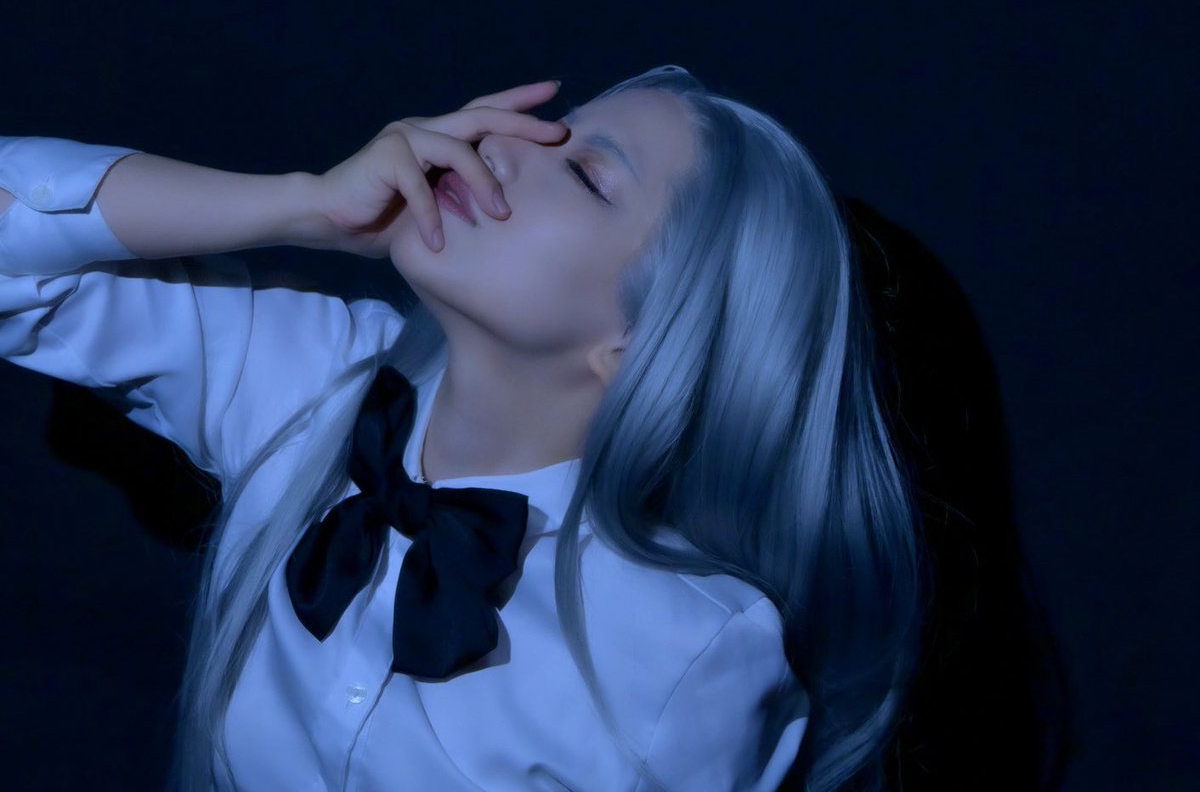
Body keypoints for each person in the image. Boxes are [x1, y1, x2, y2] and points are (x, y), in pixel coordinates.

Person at [0, 64, 923, 792]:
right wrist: (304, 203)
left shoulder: (690, 653)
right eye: (547, 129)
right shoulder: (311, 379)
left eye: (586, 172)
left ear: (645, 344)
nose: (496, 147)